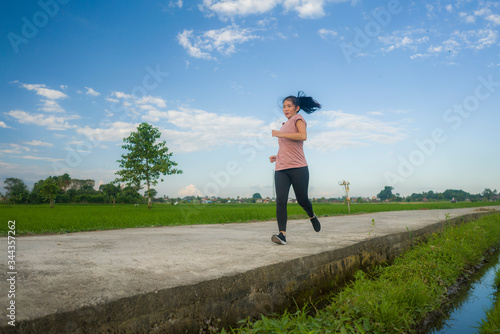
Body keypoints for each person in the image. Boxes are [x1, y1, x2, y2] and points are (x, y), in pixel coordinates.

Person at [269, 91, 321, 245]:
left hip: (298, 167)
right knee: (280, 200)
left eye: (289, 106)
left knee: (302, 199)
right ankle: (282, 235)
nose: (286, 109)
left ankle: (311, 215)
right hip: (281, 168)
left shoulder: (298, 119)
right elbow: (288, 148)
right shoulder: (284, 125)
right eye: (284, 106)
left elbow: (302, 136)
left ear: (297, 108)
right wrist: (277, 157)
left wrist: (279, 134)